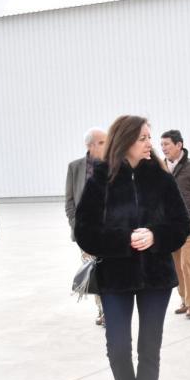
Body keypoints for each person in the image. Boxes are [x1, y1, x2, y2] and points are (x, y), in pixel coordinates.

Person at [74, 115, 190, 380]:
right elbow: (84, 232)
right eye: (142, 137)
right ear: (124, 140)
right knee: (118, 348)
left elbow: (181, 225)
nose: (148, 143)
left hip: (156, 277)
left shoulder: (161, 177)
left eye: (149, 137)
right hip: (115, 277)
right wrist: (125, 240)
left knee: (149, 351)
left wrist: (155, 235)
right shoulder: (100, 179)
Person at [159, 130, 190, 320]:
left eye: (167, 144)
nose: (163, 148)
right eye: (162, 145)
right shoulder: (159, 167)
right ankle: (184, 299)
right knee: (176, 265)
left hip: (189, 223)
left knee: (187, 262)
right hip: (168, 226)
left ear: (179, 145)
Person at [66, 127, 107, 326]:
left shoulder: (113, 166)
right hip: (86, 234)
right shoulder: (75, 167)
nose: (106, 145)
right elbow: (69, 202)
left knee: (108, 270)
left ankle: (109, 310)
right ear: (89, 145)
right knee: (94, 271)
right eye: (101, 142)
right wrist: (77, 226)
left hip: (108, 232)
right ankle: (102, 309)